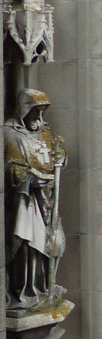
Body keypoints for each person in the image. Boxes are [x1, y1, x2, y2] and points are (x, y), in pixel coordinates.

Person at [5, 88, 66, 309]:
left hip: (46, 200)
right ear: (24, 110)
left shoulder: (45, 131)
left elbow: (52, 157)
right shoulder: (10, 133)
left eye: (42, 113)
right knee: (28, 242)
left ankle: (43, 288)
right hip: (24, 202)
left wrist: (61, 157)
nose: (39, 119)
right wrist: (31, 177)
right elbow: (11, 168)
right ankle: (25, 290)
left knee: (53, 242)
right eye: (34, 112)